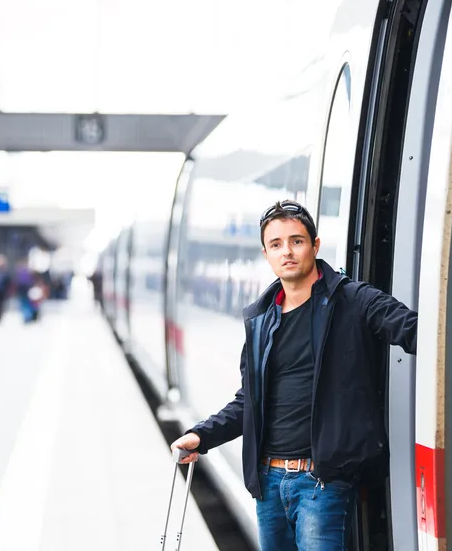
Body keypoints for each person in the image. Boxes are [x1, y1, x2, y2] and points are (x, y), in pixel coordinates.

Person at [170, 200, 418, 551]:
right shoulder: (260, 319)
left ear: (315, 246)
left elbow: (413, 331)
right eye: (276, 244)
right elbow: (249, 401)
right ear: (266, 254)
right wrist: (202, 435)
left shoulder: (354, 300)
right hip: (269, 484)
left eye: (297, 241)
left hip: (321, 482)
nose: (287, 251)